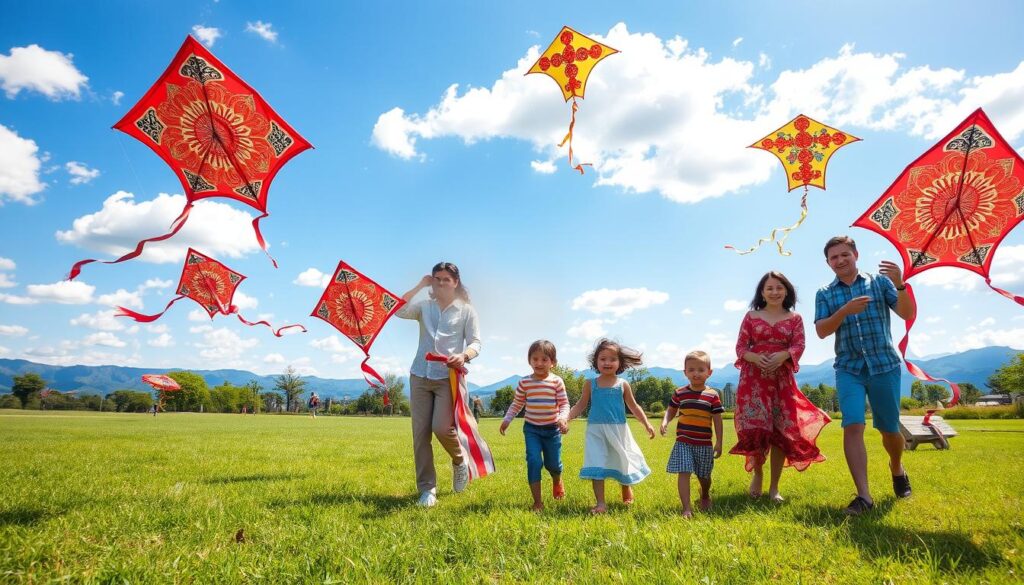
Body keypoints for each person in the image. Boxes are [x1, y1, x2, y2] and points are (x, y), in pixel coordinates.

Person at [814, 236, 916, 516]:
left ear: (856, 254)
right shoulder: (825, 293)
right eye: (834, 257)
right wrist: (844, 311)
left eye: (844, 255)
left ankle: (896, 467)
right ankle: (864, 496)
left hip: (884, 365)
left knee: (889, 429)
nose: (840, 261)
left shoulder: (880, 283)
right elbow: (822, 331)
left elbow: (906, 313)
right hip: (849, 368)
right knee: (853, 424)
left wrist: (900, 284)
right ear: (828, 263)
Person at [731, 272, 831, 502]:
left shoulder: (794, 318)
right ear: (762, 292)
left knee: (780, 432)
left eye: (779, 288)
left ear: (787, 291)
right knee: (757, 429)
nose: (775, 292)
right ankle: (757, 474)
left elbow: (799, 344)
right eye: (769, 288)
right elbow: (740, 347)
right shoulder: (751, 316)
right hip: (754, 381)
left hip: (781, 381)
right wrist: (756, 358)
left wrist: (783, 355)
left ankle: (774, 488)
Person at [397, 262, 481, 508]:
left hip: (448, 377)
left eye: (446, 279)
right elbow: (398, 310)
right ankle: (427, 490)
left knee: (442, 428)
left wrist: (464, 356)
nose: (441, 283)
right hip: (420, 375)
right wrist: (420, 285)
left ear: (456, 282)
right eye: (437, 279)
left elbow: (476, 342)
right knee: (420, 435)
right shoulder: (424, 307)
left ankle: (459, 461)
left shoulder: (466, 311)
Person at [567, 338, 654, 514]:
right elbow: (580, 405)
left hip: (618, 430)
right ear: (596, 361)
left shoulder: (623, 384)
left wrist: (646, 423)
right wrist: (566, 418)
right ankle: (601, 503)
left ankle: (625, 487)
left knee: (622, 459)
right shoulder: (590, 384)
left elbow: (634, 406)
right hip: (596, 431)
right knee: (596, 462)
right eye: (603, 359)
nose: (607, 362)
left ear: (620, 362)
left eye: (612, 359)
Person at [500, 340, 570, 511]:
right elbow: (517, 404)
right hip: (532, 429)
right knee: (534, 461)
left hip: (552, 430)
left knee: (553, 464)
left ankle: (556, 479)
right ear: (529, 360)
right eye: (535, 359)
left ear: (553, 362)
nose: (539, 363)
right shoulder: (524, 383)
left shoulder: (556, 382)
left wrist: (562, 418)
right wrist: (507, 419)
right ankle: (537, 502)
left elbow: (564, 404)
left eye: (544, 359)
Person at [660, 350, 724, 517]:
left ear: (709, 372)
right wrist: (665, 421)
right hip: (683, 441)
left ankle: (704, 494)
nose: (696, 373)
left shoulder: (712, 395)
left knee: (704, 476)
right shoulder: (680, 393)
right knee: (684, 470)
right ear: (685, 372)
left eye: (701, 370)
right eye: (691, 370)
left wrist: (719, 442)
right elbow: (671, 410)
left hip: (704, 443)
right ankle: (686, 508)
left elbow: (717, 419)